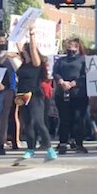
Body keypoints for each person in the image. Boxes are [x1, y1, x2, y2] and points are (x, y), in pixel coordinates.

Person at [16, 29, 57, 160]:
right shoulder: (22, 64)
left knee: (39, 121)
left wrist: (31, 32)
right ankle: (30, 149)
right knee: (27, 123)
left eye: (24, 48)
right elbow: (17, 43)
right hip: (21, 95)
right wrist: (16, 31)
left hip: (34, 94)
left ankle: (49, 148)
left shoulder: (36, 63)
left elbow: (33, 48)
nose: (21, 50)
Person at [53, 38, 88, 154]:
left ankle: (79, 143)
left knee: (78, 119)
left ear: (78, 47)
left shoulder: (84, 60)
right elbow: (55, 72)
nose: (70, 48)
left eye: (72, 46)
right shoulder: (60, 60)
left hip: (79, 94)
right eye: (68, 46)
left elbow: (86, 75)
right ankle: (63, 143)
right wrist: (61, 81)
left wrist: (74, 83)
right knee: (64, 119)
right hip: (62, 93)